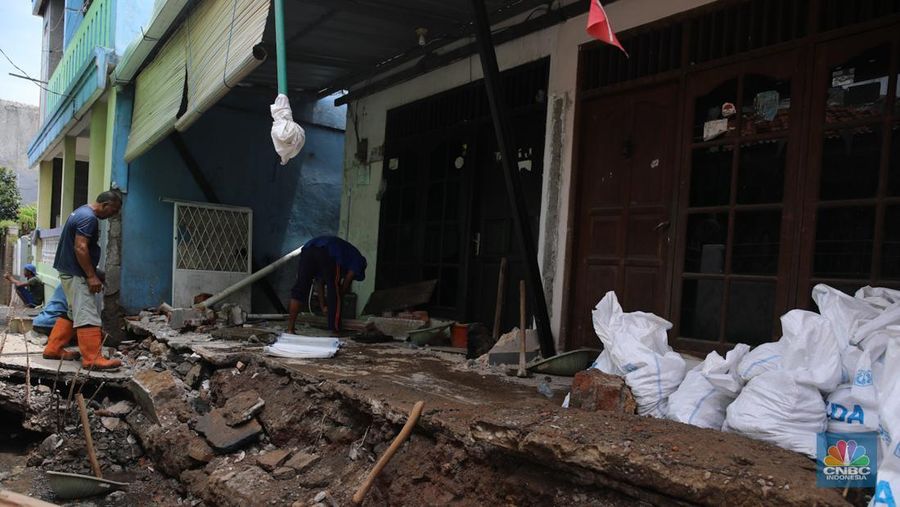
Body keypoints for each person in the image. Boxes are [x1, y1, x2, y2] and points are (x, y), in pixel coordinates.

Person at [42, 190, 123, 369]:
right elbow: (80, 247)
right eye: (114, 210)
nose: (114, 214)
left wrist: (95, 272)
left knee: (72, 312)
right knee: (87, 314)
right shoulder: (89, 218)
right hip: (76, 274)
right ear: (105, 205)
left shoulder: (81, 212)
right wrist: (91, 276)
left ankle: (53, 348)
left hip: (69, 271)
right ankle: (92, 359)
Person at [288, 235, 367, 333]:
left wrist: (323, 306)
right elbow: (347, 281)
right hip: (328, 250)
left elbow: (319, 282)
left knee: (299, 288)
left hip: (308, 248)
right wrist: (338, 298)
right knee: (334, 289)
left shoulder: (347, 257)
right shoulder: (359, 260)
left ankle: (290, 329)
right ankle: (334, 331)